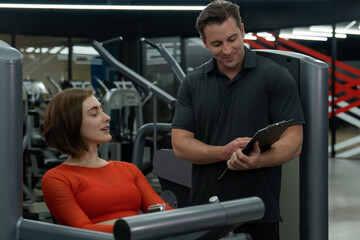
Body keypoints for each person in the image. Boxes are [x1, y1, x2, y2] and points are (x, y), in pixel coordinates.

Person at [171, 1, 305, 239]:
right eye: (216, 43)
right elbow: (180, 144)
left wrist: (258, 160)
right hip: (205, 211)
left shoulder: (275, 76)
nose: (227, 49)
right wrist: (224, 152)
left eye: (232, 39)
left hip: (259, 210)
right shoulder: (192, 83)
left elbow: (293, 141)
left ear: (242, 30)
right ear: (204, 42)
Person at [41, 88, 171, 234]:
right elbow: (84, 231)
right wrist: (141, 226)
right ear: (72, 124)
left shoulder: (129, 169)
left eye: (102, 110)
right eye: (95, 113)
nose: (107, 117)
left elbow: (166, 213)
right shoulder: (56, 179)